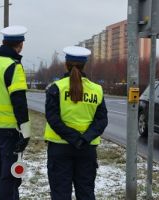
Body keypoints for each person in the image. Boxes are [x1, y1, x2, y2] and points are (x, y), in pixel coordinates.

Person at [44, 46, 108, 200]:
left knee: (60, 194)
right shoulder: (97, 90)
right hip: (87, 149)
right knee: (86, 193)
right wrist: (84, 138)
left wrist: (73, 138)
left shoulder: (56, 89)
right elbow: (102, 120)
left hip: (59, 148)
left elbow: (53, 119)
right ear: (84, 65)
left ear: (66, 64)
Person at [0, 25, 31, 200]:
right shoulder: (14, 66)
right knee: (9, 178)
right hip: (9, 131)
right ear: (20, 45)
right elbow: (19, 102)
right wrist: (25, 133)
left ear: (4, 42)